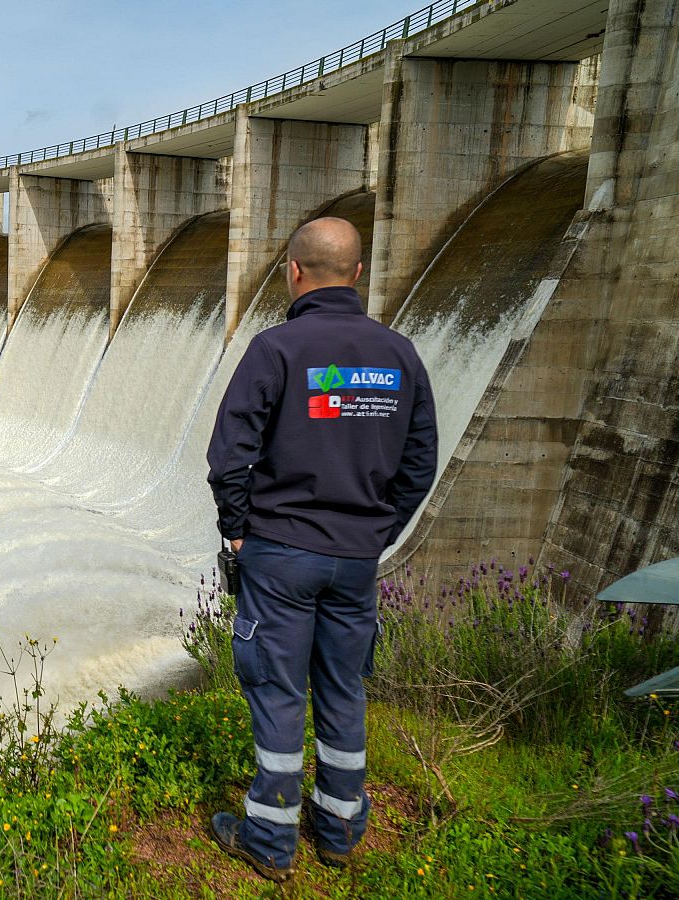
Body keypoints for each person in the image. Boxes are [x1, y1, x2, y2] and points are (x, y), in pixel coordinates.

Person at [204, 216, 438, 881]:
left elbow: (229, 458)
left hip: (279, 553)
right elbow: (420, 463)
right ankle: (338, 831)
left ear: (294, 271)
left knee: (279, 693)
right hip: (356, 558)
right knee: (343, 687)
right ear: (359, 275)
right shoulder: (400, 356)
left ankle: (270, 843)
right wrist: (374, 533)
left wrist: (239, 527)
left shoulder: (275, 350)